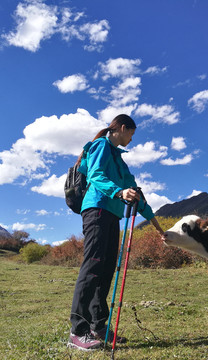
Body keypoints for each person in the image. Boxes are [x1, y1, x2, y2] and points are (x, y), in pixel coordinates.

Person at [67, 114, 165, 351]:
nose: (131, 139)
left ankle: (98, 325)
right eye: (131, 134)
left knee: (107, 268)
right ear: (122, 128)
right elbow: (96, 175)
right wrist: (119, 193)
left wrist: (157, 226)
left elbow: (136, 195)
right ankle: (77, 330)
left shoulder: (121, 162)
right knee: (93, 265)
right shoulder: (101, 145)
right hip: (96, 210)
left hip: (112, 215)